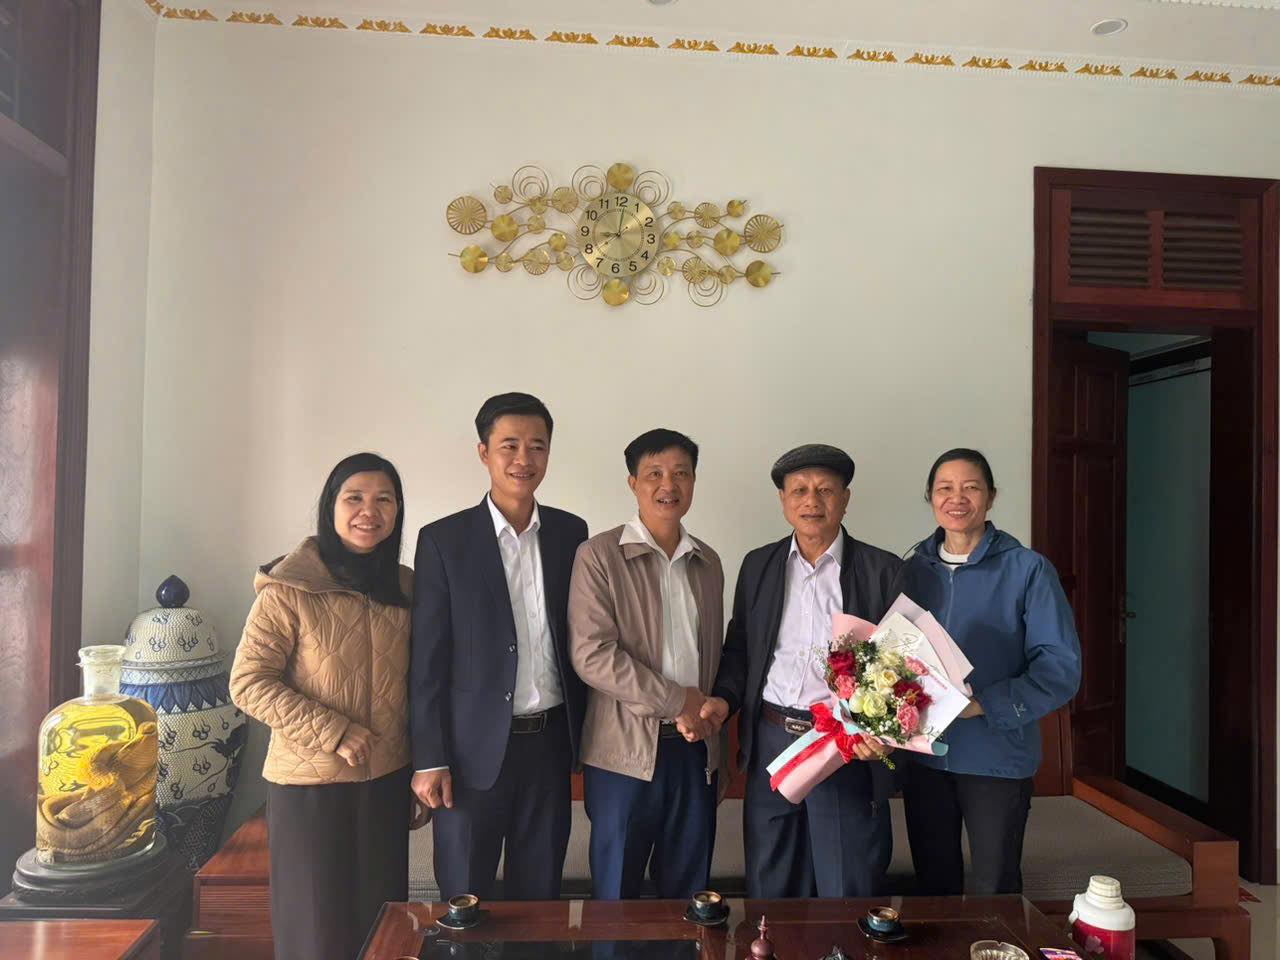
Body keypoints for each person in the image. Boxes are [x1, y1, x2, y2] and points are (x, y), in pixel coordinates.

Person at [230, 453, 420, 960]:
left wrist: (420, 768)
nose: (369, 511)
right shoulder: (288, 590)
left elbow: (422, 685)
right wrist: (333, 730)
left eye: (384, 500)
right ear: (330, 506)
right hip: (309, 789)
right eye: (354, 498)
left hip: (385, 783)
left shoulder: (406, 587)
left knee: (384, 930)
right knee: (315, 933)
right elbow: (248, 682)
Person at [410, 393, 588, 900]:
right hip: (470, 753)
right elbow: (427, 660)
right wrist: (429, 757)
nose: (523, 459)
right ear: (484, 452)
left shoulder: (571, 534)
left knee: (540, 895)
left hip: (550, 746)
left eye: (537, 446)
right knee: (465, 896)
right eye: (509, 445)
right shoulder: (443, 541)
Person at [704, 443, 902, 897]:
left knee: (845, 886)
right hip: (771, 739)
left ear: (845, 499)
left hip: (842, 745)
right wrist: (724, 700)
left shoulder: (882, 570)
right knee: (770, 884)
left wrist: (882, 733)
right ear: (783, 500)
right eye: (799, 490)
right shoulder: (759, 565)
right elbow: (740, 649)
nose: (812, 501)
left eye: (825, 490)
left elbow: (901, 667)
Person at [899, 448, 1081, 895]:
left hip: (997, 757)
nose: (957, 498)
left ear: (991, 496)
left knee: (994, 890)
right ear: (930, 497)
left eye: (971, 487)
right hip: (925, 757)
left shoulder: (1028, 569)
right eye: (945, 488)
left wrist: (982, 705)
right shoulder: (910, 571)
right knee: (933, 888)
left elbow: (1059, 668)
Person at [568, 428, 726, 900]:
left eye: (681, 474)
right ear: (632, 483)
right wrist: (677, 701)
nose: (668, 485)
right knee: (617, 895)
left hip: (695, 752)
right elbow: (592, 654)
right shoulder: (599, 555)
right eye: (654, 473)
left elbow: (713, 657)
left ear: (693, 482)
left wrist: (707, 719)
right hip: (624, 756)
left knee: (689, 896)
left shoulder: (709, 562)